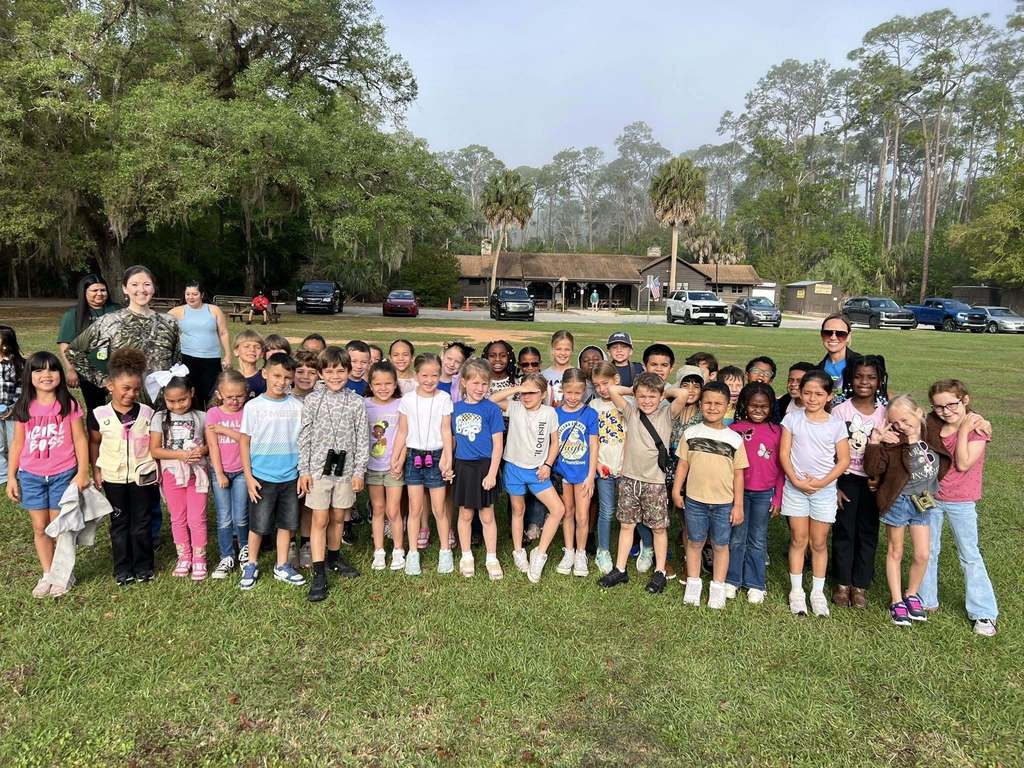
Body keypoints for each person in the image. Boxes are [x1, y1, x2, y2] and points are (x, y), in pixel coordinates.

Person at [5, 352, 91, 597]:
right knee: (40, 528)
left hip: (63, 474)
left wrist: (83, 471)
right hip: (31, 476)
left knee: (60, 528)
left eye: (52, 370)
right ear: (29, 376)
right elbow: (18, 444)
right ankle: (48, 573)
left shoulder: (68, 404)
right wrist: (12, 477)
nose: (46, 375)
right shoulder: (24, 405)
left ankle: (63, 573)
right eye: (39, 370)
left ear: (60, 375)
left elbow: (80, 438)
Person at [922, 380, 999, 636]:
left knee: (969, 555)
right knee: (927, 551)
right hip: (932, 497)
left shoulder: (977, 428)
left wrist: (964, 429)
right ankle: (925, 600)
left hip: (962, 501)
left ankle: (983, 613)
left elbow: (964, 463)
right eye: (939, 406)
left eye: (951, 404)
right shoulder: (933, 424)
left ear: (965, 399)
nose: (946, 411)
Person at [599, 372, 688, 594]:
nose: (647, 401)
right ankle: (620, 569)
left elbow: (683, 393)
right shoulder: (630, 411)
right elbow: (613, 390)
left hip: (654, 482)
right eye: (642, 396)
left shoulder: (667, 413)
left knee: (658, 528)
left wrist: (659, 392)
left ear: (659, 397)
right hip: (630, 479)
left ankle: (659, 572)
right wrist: (635, 390)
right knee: (627, 525)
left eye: (652, 396)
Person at [864, 396, 949, 627]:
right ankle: (896, 600)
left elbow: (955, 417)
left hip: (923, 501)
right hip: (899, 502)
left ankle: (912, 594)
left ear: (919, 413)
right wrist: (875, 442)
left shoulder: (931, 432)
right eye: (895, 422)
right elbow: (872, 468)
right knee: (896, 551)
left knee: (923, 554)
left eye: (904, 419)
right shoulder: (892, 441)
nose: (901, 425)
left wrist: (978, 420)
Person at [298, 347, 369, 602]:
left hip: (347, 471)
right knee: (320, 518)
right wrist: (304, 471)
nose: (335, 376)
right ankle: (319, 571)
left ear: (349, 372)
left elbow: (363, 439)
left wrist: (359, 471)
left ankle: (335, 557)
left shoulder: (357, 402)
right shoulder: (313, 400)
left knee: (339, 515)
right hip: (318, 470)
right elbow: (304, 436)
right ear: (320, 374)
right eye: (329, 371)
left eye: (340, 371)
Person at [779, 370, 851, 617]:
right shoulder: (791, 419)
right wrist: (797, 481)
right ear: (800, 392)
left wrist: (821, 483)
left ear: (829, 396)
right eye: (807, 392)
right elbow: (783, 454)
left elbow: (843, 460)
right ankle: (796, 591)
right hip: (796, 488)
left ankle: (817, 593)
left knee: (819, 542)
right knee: (799, 539)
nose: (812, 398)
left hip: (823, 490)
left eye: (819, 394)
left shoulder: (836, 424)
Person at [671, 381, 747, 608]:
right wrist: (676, 490)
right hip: (695, 500)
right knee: (694, 541)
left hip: (724, 503)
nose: (712, 408)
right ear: (701, 404)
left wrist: (738, 505)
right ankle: (694, 583)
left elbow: (739, 475)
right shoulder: (691, 433)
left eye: (718, 404)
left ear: (727, 406)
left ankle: (717, 586)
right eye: (708, 403)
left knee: (720, 545)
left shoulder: (734, 439)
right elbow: (682, 465)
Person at [88, 348, 157, 585]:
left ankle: (144, 567)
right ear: (110, 385)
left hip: (143, 478)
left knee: (141, 523)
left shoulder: (148, 413)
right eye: (125, 388)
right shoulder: (99, 414)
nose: (131, 393)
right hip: (113, 478)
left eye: (136, 389)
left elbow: (154, 444)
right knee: (119, 523)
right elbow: (95, 443)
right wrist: (96, 470)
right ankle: (122, 568)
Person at [65, 265, 181, 406]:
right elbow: (73, 352)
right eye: (134, 284)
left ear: (153, 288)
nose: (141, 290)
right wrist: (104, 381)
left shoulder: (170, 322)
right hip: (126, 403)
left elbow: (176, 362)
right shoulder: (110, 321)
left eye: (147, 284)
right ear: (125, 288)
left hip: (163, 403)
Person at [490, 375, 565, 583]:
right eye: (524, 393)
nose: (526, 396)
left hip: (537, 471)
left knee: (558, 510)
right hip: (514, 467)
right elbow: (492, 399)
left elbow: (554, 442)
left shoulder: (549, 412)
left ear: (543, 395)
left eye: (532, 392)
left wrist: (548, 464)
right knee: (518, 510)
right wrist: (518, 387)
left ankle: (539, 554)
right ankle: (518, 550)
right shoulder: (514, 407)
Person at [238, 355, 304, 590]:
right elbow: (244, 441)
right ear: (264, 374)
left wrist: (301, 472)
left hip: (290, 477)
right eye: (277, 375)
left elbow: (303, 442)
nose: (281, 381)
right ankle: (252, 563)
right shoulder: (253, 407)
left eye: (287, 377)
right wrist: (248, 476)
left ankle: (282, 565)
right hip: (261, 477)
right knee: (258, 524)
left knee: (286, 524)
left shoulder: (297, 406)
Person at [830, 356, 889, 608]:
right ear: (850, 379)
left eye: (871, 377)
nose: (864, 382)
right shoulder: (840, 411)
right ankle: (843, 584)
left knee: (868, 532)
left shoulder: (886, 413)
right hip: (846, 479)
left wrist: (881, 480)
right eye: (858, 376)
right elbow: (828, 451)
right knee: (844, 530)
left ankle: (860, 585)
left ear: (880, 381)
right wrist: (833, 486)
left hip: (873, 483)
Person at [390, 352, 454, 576]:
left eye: (434, 375)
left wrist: (447, 456)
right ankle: (413, 554)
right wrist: (396, 458)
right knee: (415, 509)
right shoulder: (407, 400)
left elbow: (446, 430)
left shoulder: (443, 399)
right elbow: (402, 431)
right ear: (416, 375)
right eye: (425, 375)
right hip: (413, 457)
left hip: (436, 456)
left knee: (439, 509)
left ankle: (445, 552)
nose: (429, 380)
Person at [726, 382, 784, 604]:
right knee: (737, 538)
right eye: (753, 406)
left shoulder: (777, 432)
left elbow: (781, 468)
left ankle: (756, 583)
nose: (758, 410)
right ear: (744, 405)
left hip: (763, 494)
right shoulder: (734, 430)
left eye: (764, 406)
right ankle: (732, 579)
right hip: (737, 494)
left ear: (771, 407)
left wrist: (777, 497)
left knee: (758, 539)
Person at [150, 373, 209, 580]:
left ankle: (199, 558)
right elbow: (155, 450)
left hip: (197, 475)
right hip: (172, 474)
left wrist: (201, 451)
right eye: (171, 401)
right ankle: (184, 556)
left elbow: (210, 445)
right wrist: (181, 455)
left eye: (182, 399)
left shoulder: (202, 417)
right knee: (178, 517)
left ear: (191, 393)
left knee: (197, 518)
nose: (177, 405)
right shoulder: (159, 418)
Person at [451, 358, 505, 579]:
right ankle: (466, 556)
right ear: (464, 382)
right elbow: (452, 440)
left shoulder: (492, 409)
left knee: (487, 514)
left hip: (485, 466)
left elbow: (498, 444)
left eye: (484, 384)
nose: (480, 388)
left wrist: (492, 473)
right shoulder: (455, 409)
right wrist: (447, 462)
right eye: (475, 383)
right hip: (463, 466)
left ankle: (491, 557)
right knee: (465, 513)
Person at [552, 368, 599, 578]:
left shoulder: (590, 414)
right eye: (568, 392)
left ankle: (581, 553)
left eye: (577, 393)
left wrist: (591, 476)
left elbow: (594, 445)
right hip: (563, 472)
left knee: (582, 515)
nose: (572, 397)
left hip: (582, 474)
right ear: (562, 389)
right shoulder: (556, 413)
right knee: (568, 512)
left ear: (584, 391)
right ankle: (569, 551)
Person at [205, 369, 250, 579]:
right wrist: (220, 473)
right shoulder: (213, 414)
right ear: (219, 394)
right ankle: (226, 555)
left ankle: (244, 550)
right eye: (229, 396)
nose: (234, 401)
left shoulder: (248, 411)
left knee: (241, 515)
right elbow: (212, 446)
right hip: (220, 471)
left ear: (246, 393)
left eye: (239, 396)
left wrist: (224, 430)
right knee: (224, 517)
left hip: (242, 471)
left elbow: (246, 439)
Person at [56, 274, 121, 414]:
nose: (99, 294)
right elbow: (65, 345)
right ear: (84, 292)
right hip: (89, 372)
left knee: (120, 409)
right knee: (96, 411)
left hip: (117, 371)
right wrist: (70, 369)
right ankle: (95, 436)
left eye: (103, 290)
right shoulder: (73, 315)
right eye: (94, 290)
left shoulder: (117, 310)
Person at [364, 362, 405, 572]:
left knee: (393, 510)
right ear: (370, 384)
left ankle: (398, 550)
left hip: (393, 467)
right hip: (372, 467)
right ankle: (379, 551)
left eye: (388, 383)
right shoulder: (364, 404)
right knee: (378, 509)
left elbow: (405, 434)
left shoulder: (401, 404)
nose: (383, 388)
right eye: (378, 384)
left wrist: (398, 461)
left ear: (395, 383)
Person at [169, 282, 231, 406]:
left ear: (202, 295)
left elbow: (223, 332)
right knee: (192, 393)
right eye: (188, 294)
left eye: (194, 294)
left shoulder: (213, 310)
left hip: (211, 359)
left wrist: (228, 355)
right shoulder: (177, 311)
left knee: (213, 393)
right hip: (188, 358)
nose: (191, 297)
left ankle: (211, 418)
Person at [589, 362, 625, 575]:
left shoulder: (625, 403)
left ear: (616, 380)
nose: (602, 389)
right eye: (597, 385)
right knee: (607, 510)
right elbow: (592, 441)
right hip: (603, 468)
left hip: (625, 467)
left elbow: (630, 436)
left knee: (629, 511)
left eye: (606, 383)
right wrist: (598, 465)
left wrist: (626, 465)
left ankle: (646, 547)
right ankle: (603, 550)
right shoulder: (593, 407)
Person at [0, 325, 25, 484]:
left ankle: (18, 472)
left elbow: (21, 388)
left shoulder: (17, 364)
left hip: (12, 411)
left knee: (15, 442)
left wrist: (13, 408)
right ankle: (2, 475)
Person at [818, 314, 861, 402]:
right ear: (822, 335)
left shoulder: (862, 365)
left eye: (840, 334)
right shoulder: (817, 370)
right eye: (828, 333)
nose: (833, 337)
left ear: (848, 336)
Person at [542, 330, 574, 406]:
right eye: (558, 349)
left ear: (572, 351)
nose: (563, 353)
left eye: (567, 349)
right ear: (552, 350)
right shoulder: (543, 375)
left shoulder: (576, 374)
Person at [233, 330, 265, 399]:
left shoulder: (265, 378)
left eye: (257, 347)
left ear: (262, 353)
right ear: (236, 351)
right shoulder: (228, 377)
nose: (252, 350)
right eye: (246, 346)